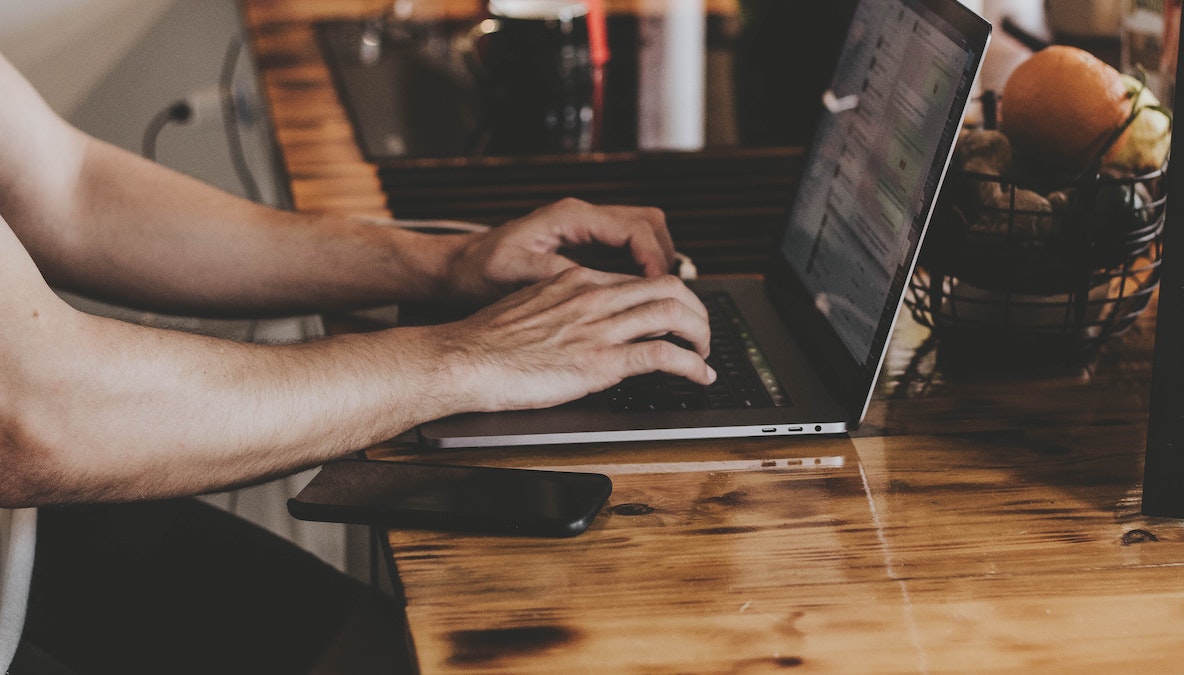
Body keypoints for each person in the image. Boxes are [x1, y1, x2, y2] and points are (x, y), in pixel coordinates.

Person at [0, 43, 715, 675]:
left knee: (381, 649)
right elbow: (36, 415)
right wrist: (468, 355)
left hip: (34, 537)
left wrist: (446, 262)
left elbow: (64, 187)